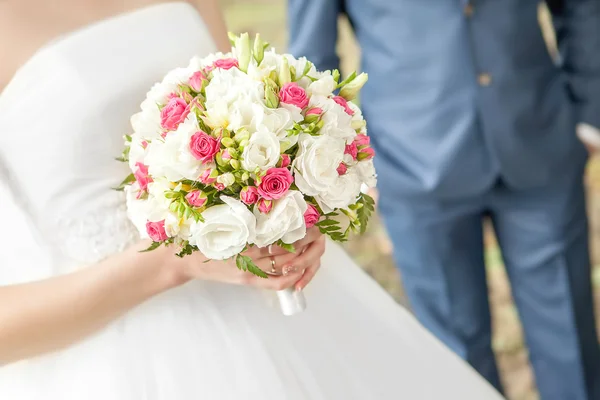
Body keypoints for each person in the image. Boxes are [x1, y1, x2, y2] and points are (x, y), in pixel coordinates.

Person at [0, 1, 503, 399]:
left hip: (293, 306)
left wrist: (295, 206)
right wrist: (172, 264)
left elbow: (248, 98)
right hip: (131, 348)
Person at [288, 0, 600, 399]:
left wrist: (591, 114)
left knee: (568, 340)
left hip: (540, 140)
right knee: (456, 355)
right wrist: (345, 164)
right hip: (411, 164)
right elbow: (313, 60)